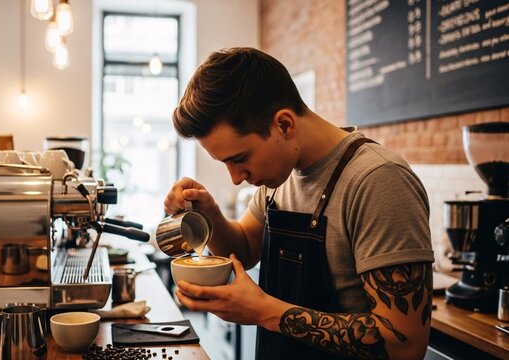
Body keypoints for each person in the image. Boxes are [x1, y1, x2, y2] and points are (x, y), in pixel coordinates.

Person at [163, 48, 434, 360]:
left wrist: (266, 312)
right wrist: (208, 212)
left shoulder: (377, 180)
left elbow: (405, 344)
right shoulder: (280, 178)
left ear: (284, 125)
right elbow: (244, 250)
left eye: (240, 159)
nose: (236, 178)